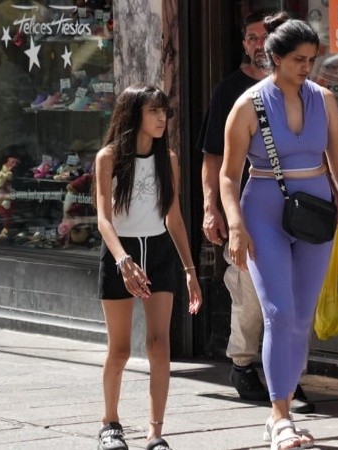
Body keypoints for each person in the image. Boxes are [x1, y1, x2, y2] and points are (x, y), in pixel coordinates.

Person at [219, 12, 338, 450]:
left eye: (312, 59)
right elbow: (228, 175)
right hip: (263, 210)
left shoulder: (324, 99)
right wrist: (234, 225)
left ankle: (281, 409)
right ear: (276, 58)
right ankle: (279, 414)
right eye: (298, 59)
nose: (307, 67)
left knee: (302, 318)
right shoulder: (248, 105)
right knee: (278, 313)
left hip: (316, 212)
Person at [198, 8, 314, 414]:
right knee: (251, 296)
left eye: (262, 36)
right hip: (251, 212)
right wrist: (212, 209)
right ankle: (243, 364)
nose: (255, 43)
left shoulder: (305, 90)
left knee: (294, 301)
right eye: (249, 37)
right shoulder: (232, 91)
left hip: (299, 213)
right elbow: (214, 158)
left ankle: (290, 379)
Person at [94, 84, 203, 450]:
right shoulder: (108, 157)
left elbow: (173, 217)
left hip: (158, 253)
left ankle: (155, 432)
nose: (162, 118)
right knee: (120, 349)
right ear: (133, 114)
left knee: (159, 344)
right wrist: (123, 260)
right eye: (154, 111)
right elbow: (103, 220)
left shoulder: (167, 158)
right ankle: (110, 423)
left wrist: (190, 270)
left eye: (164, 112)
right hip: (120, 254)